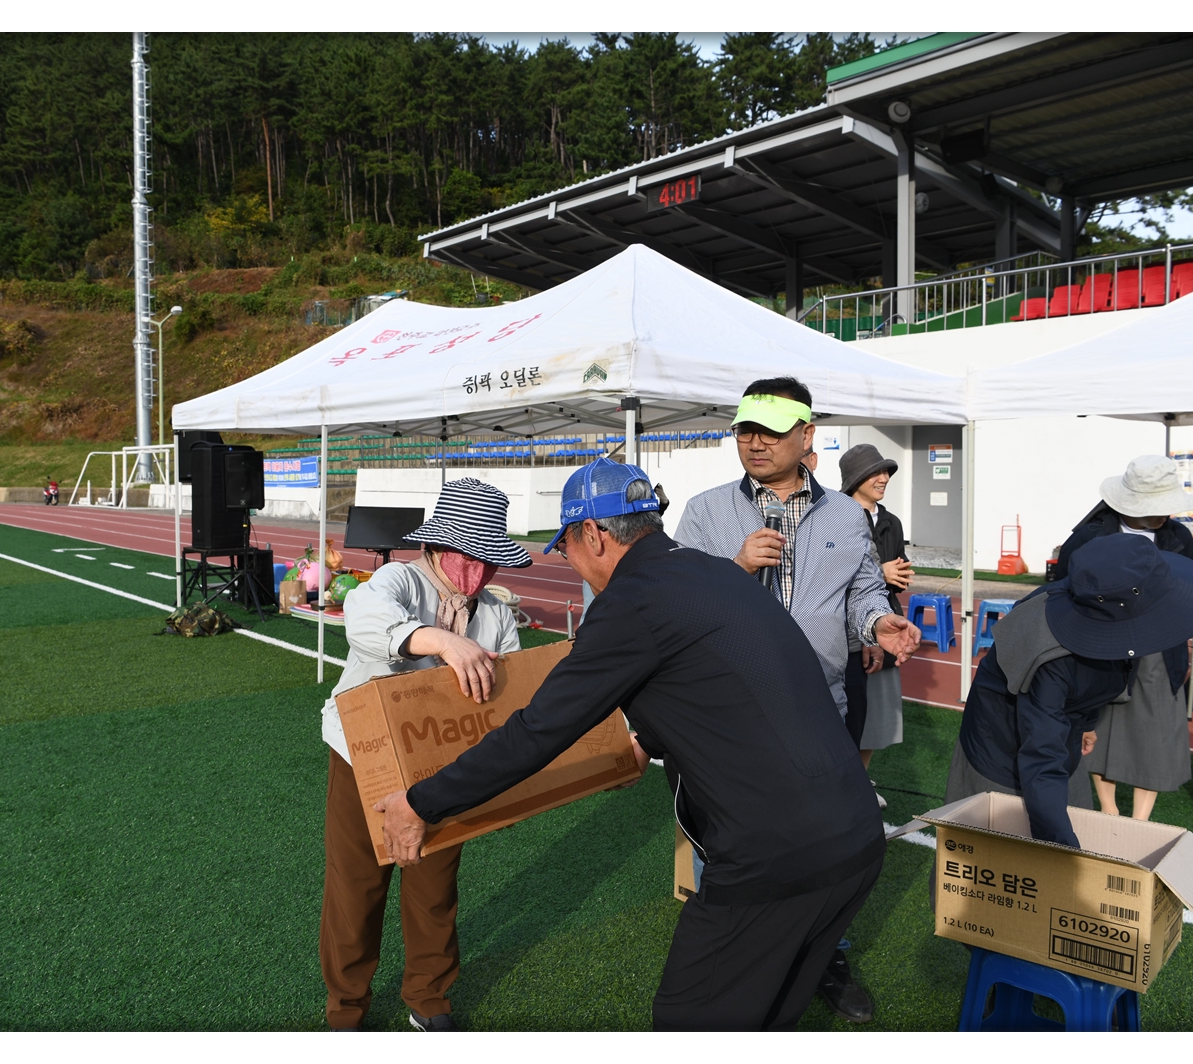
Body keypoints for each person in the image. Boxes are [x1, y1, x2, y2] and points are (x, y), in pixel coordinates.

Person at [375, 457, 885, 1030]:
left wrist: (423, 802)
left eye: (566, 547)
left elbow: (539, 729)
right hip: (856, 836)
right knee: (766, 1019)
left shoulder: (630, 602)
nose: (570, 563)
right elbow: (714, 682)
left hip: (775, 857)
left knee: (687, 1021)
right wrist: (646, 738)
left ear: (593, 534)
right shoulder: (713, 571)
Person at [672, 377, 919, 1023]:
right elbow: (675, 605)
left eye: (771, 431)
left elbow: (863, 592)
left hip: (818, 707)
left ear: (807, 435)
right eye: (744, 430)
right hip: (726, 716)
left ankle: (824, 956)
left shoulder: (844, 514)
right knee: (728, 848)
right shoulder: (705, 511)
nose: (754, 442)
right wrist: (732, 568)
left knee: (823, 845)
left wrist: (878, 623)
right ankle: (728, 965)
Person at [318, 478, 530, 1032]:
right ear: (437, 546)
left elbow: (509, 699)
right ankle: (346, 1008)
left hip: (446, 767)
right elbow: (363, 618)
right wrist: (443, 641)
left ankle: (429, 997)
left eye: (490, 560)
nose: (479, 572)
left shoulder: (496, 614)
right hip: (365, 754)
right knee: (357, 885)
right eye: (469, 555)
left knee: (435, 884)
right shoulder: (399, 579)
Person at [947, 534, 1193, 846]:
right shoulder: (1052, 659)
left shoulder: (1104, 607)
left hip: (1059, 737)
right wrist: (1064, 852)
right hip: (999, 750)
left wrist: (1087, 723)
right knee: (995, 854)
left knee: (1068, 817)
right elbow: (1042, 757)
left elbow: (1113, 665)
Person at [1055, 455, 1193, 822]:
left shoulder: (1179, 537)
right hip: (1101, 646)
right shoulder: (1088, 537)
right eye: (1157, 504)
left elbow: (1185, 592)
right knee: (1100, 726)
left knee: (1156, 729)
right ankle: (1109, 809)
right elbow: (1062, 594)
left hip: (1160, 648)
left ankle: (1140, 821)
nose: (1165, 513)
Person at [839, 443, 914, 805]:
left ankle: (859, 780)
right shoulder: (835, 516)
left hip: (882, 626)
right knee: (844, 713)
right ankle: (845, 783)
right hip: (844, 635)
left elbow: (898, 568)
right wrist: (879, 573)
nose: (883, 478)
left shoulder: (891, 522)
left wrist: (895, 576)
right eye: (876, 472)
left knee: (875, 716)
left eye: (886, 472)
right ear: (855, 479)